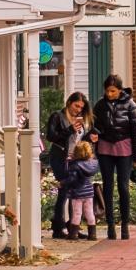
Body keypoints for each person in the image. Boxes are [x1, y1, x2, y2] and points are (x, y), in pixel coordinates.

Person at [91, 74, 136, 239]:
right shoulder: (99, 106)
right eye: (107, 91)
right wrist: (95, 133)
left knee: (123, 186)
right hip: (105, 148)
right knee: (108, 187)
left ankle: (125, 225)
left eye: (113, 91)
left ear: (119, 90)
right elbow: (93, 126)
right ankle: (111, 226)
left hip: (124, 148)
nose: (109, 94)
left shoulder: (130, 105)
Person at [42, 91, 91, 240]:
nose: (78, 109)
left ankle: (72, 227)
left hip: (75, 159)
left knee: (74, 193)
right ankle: (58, 227)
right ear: (69, 103)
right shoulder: (58, 116)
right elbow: (51, 136)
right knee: (64, 191)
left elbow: (80, 138)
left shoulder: (79, 119)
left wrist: (91, 136)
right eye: (76, 106)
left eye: (81, 107)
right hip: (60, 157)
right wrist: (70, 129)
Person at [62, 141, 102, 241]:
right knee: (89, 213)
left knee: (77, 213)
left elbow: (72, 179)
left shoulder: (75, 165)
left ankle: (73, 234)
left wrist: (62, 183)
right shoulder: (92, 163)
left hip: (77, 193)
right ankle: (92, 234)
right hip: (89, 192)